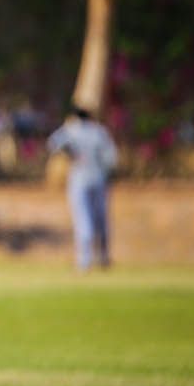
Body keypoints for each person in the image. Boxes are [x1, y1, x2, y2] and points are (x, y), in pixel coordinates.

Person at [47, 106, 118, 271]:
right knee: (101, 219)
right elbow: (111, 158)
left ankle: (84, 260)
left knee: (83, 219)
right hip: (99, 179)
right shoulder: (99, 131)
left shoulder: (71, 130)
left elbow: (53, 143)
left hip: (78, 180)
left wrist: (71, 154)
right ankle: (103, 256)